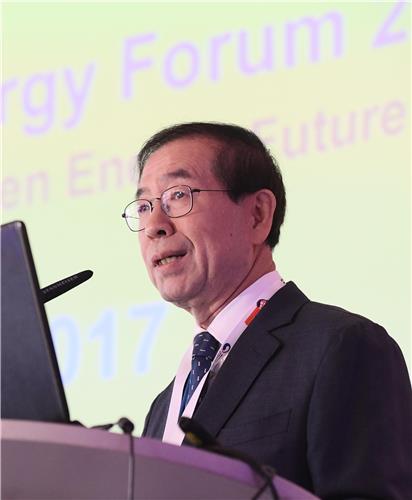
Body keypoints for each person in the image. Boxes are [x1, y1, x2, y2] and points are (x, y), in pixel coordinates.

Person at [122, 122, 412, 499]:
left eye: (178, 195)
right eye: (144, 206)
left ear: (257, 214)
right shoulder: (164, 405)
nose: (154, 226)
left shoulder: (341, 347)